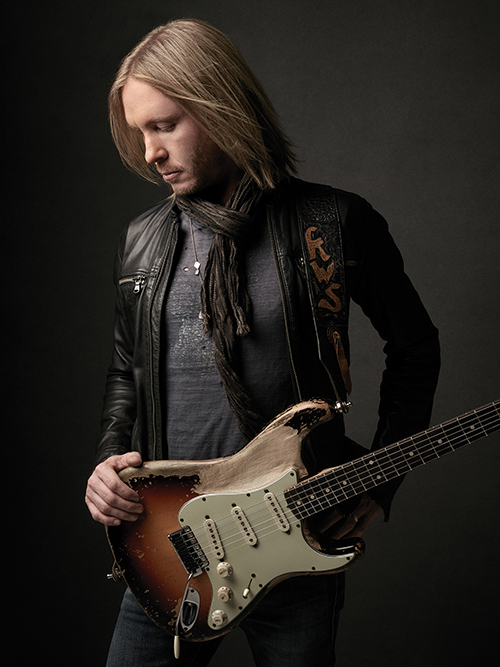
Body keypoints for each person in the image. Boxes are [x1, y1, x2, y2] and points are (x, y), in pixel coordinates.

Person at [85, 18, 440, 667]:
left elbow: (415, 345)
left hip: (292, 548)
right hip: (168, 551)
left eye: (164, 125)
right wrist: (109, 461)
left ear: (221, 103)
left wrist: (377, 480)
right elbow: (124, 371)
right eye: (139, 133)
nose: (149, 152)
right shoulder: (141, 240)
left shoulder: (332, 224)